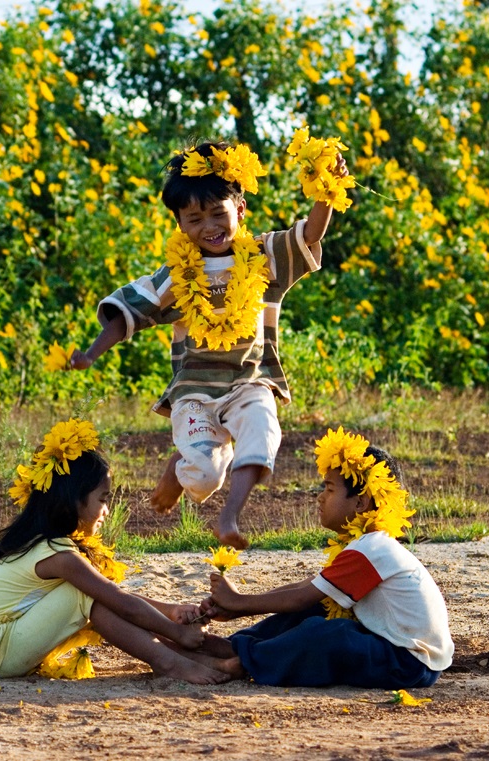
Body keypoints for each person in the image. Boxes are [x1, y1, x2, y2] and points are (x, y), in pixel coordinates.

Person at [71, 141, 349, 549]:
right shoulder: (176, 275)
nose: (209, 226)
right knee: (205, 474)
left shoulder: (264, 256)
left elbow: (309, 233)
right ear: (181, 225)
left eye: (218, 213)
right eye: (194, 218)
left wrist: (326, 187)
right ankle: (182, 462)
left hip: (251, 380)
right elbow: (128, 313)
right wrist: (91, 354)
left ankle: (229, 518)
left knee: (263, 429)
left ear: (240, 210)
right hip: (195, 394)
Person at [0, 418, 229, 684]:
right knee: (87, 594)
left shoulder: (46, 544)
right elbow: (118, 600)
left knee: (94, 595)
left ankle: (190, 658)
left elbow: (116, 599)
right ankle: (169, 662)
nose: (106, 510)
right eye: (102, 499)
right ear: (74, 500)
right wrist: (176, 630)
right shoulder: (57, 554)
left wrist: (170, 611)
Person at [189, 428, 454, 688]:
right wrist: (238, 607)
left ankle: (243, 660)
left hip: (408, 662)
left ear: (360, 503)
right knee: (316, 610)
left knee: (330, 633)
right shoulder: (364, 546)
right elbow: (306, 589)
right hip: (390, 649)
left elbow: (300, 597)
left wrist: (239, 602)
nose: (320, 497)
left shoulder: (371, 549)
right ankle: (232, 647)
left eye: (329, 489)